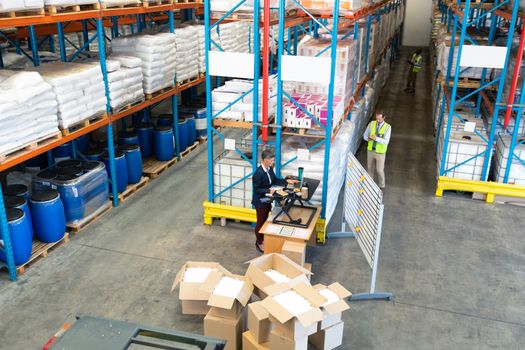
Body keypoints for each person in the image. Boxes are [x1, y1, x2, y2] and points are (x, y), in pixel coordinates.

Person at [252, 149, 296, 253]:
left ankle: (263, 238)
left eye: (273, 160)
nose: (273, 162)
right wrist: (268, 190)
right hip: (260, 201)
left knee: (265, 219)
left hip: (267, 199)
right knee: (260, 221)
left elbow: (275, 180)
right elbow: (256, 189)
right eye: (271, 160)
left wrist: (286, 181)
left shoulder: (270, 169)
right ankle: (259, 242)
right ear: (265, 160)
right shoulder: (258, 173)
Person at [363, 112, 391, 191]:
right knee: (370, 169)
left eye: (380, 119)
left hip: (380, 153)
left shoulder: (387, 127)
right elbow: (365, 135)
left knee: (379, 170)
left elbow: (386, 141)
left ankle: (382, 186)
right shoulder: (371, 124)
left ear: (384, 117)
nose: (378, 120)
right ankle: (370, 184)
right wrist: (368, 138)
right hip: (371, 150)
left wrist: (376, 139)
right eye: (377, 118)